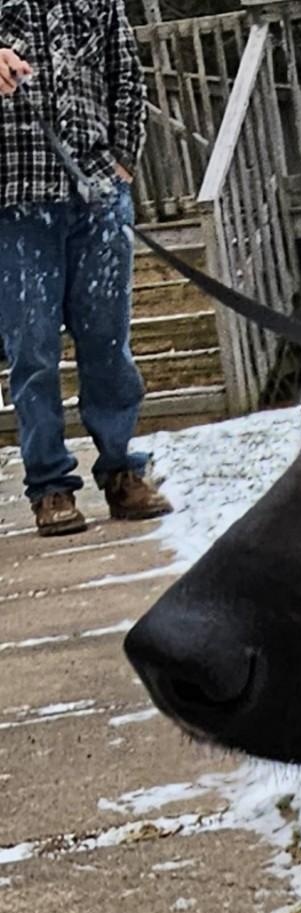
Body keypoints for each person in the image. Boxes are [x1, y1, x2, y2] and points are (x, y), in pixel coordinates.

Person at [0, 1, 172, 536]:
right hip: (15, 201)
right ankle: (49, 485)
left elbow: (128, 80)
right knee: (32, 351)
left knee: (108, 343)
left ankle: (121, 470)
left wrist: (121, 164)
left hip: (98, 197)